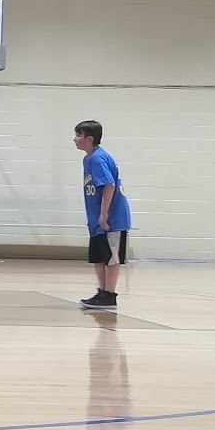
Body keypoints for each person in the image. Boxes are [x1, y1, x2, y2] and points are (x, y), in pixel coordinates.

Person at [73, 120, 132, 310]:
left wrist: (104, 214)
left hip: (112, 218)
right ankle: (102, 292)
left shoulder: (98, 158)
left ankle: (109, 295)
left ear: (89, 139)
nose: (74, 139)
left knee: (111, 257)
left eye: (78, 135)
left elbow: (109, 185)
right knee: (98, 257)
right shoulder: (88, 159)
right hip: (97, 218)